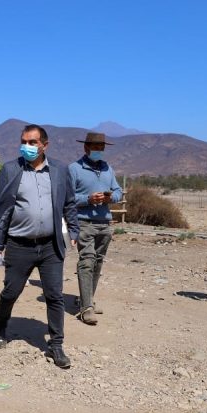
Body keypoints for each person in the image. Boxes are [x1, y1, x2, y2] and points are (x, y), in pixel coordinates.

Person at [0, 124, 79, 368]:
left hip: (50, 245)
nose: (26, 146)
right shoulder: (10, 169)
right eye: (23, 141)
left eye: (32, 142)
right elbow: (1, 209)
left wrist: (74, 229)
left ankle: (56, 344)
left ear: (44, 145)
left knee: (54, 295)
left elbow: (69, 203)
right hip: (19, 245)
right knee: (11, 291)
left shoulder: (59, 170)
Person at [68, 132, 123, 325]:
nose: (99, 150)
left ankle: (87, 300)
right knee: (87, 261)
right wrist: (87, 199)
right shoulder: (74, 169)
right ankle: (86, 309)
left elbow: (118, 191)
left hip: (104, 223)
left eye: (102, 147)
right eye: (95, 147)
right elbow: (66, 198)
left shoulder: (108, 168)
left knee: (98, 262)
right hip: (84, 223)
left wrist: (110, 198)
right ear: (86, 147)